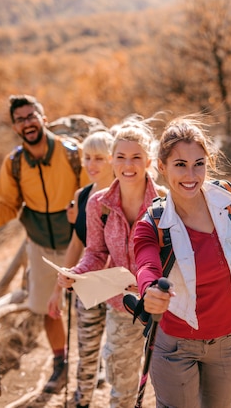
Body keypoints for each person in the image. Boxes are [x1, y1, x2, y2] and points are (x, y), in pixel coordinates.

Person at [134, 115, 231, 408]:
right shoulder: (152, 224)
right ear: (161, 167)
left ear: (208, 162)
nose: (191, 175)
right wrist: (150, 290)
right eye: (180, 165)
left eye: (198, 163)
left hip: (228, 340)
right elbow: (146, 266)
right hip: (175, 345)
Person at [0, 94, 89, 394]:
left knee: (89, 308)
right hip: (40, 246)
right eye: (20, 119)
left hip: (78, 242)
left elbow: (94, 196)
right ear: (15, 126)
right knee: (47, 309)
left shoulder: (72, 153)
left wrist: (82, 215)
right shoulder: (13, 163)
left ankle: (91, 367)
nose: (27, 123)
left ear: (43, 117)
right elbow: (7, 208)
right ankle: (60, 363)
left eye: (31, 116)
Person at [56, 115, 166, 407]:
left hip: (165, 308)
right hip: (122, 306)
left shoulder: (166, 202)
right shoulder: (98, 203)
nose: (128, 165)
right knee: (122, 389)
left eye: (136, 157)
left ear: (149, 161)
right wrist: (75, 273)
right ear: (112, 161)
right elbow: (95, 252)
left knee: (169, 387)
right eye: (120, 157)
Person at [47, 129, 115, 408]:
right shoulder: (83, 195)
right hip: (87, 284)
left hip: (122, 288)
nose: (91, 164)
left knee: (117, 354)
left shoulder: (127, 193)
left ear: (113, 159)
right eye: (87, 158)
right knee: (86, 351)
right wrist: (57, 290)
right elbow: (77, 243)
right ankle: (81, 401)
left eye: (99, 158)